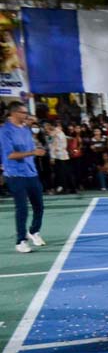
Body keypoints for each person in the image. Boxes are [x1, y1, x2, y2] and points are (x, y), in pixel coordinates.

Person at [0, 101, 46, 253]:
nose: (26, 115)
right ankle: (20, 241)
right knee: (22, 208)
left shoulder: (26, 129)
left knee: (39, 206)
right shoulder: (5, 131)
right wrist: (33, 153)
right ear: (13, 113)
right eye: (23, 113)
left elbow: (32, 146)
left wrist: (36, 149)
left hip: (31, 172)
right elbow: (10, 155)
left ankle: (33, 231)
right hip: (15, 174)